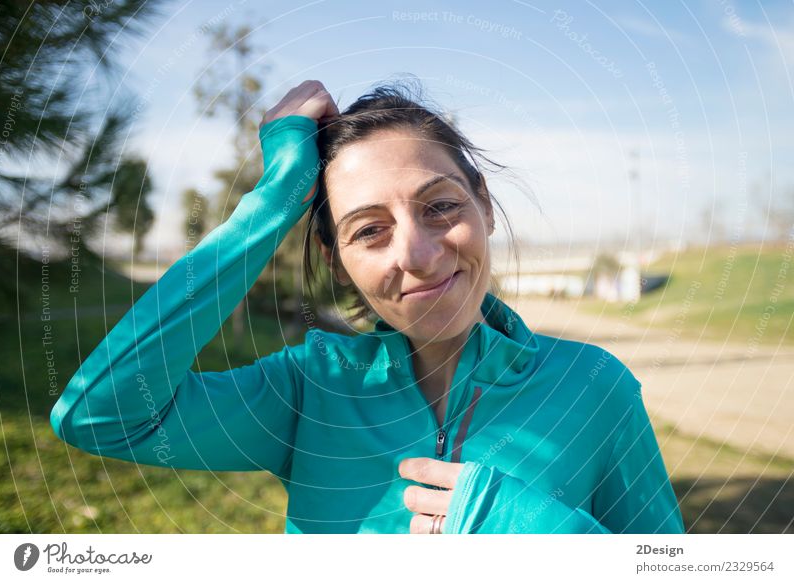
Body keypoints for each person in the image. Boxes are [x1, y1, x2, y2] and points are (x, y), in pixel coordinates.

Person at [50, 79, 685, 535]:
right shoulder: (307, 389)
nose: (418, 253)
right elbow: (100, 415)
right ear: (335, 260)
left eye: (440, 206)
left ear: (484, 206)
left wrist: (549, 539)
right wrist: (273, 203)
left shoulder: (595, 388)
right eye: (369, 230)